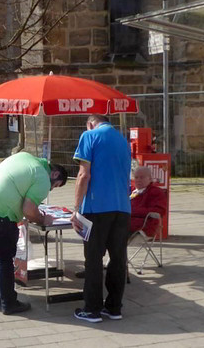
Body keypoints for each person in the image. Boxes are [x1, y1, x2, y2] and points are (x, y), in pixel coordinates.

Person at [0, 152, 68, 315]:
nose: (51, 189)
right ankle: (9, 303)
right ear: (54, 174)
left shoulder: (24, 157)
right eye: (55, 185)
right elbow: (29, 210)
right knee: (3, 258)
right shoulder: (43, 177)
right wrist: (43, 220)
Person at [71, 114, 132, 323]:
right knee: (117, 259)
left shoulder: (89, 136)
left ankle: (92, 308)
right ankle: (114, 307)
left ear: (90, 123)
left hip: (97, 207)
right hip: (122, 207)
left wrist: (76, 208)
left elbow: (83, 174)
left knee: (94, 259)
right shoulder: (123, 141)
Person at [129, 166, 167, 237]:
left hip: (145, 225)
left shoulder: (156, 192)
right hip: (128, 221)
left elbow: (159, 211)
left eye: (142, 177)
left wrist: (133, 211)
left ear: (150, 178)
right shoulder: (131, 190)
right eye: (136, 177)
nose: (138, 180)